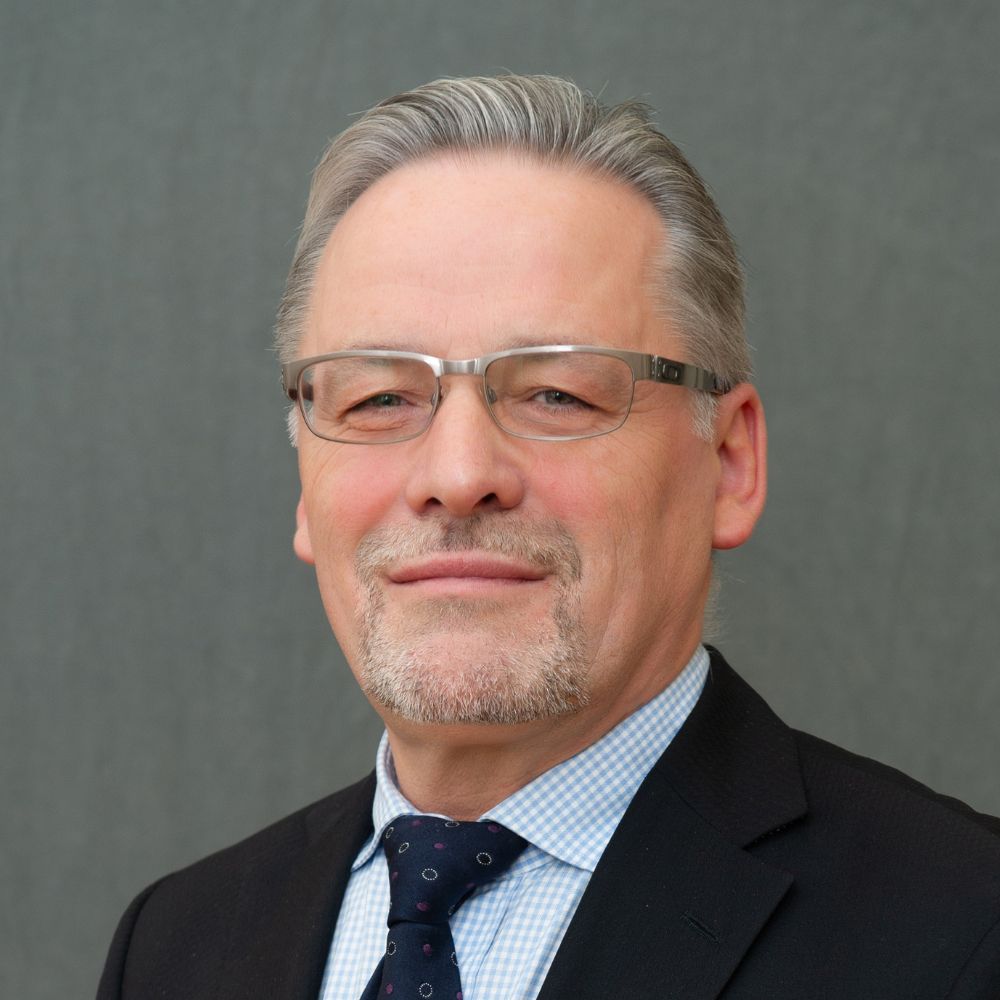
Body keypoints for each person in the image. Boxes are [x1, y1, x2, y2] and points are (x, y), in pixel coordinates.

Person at [97, 74, 1000, 1000]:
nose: (456, 476)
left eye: (556, 394)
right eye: (378, 399)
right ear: (305, 486)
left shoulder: (964, 931)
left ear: (728, 464)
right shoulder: (174, 947)